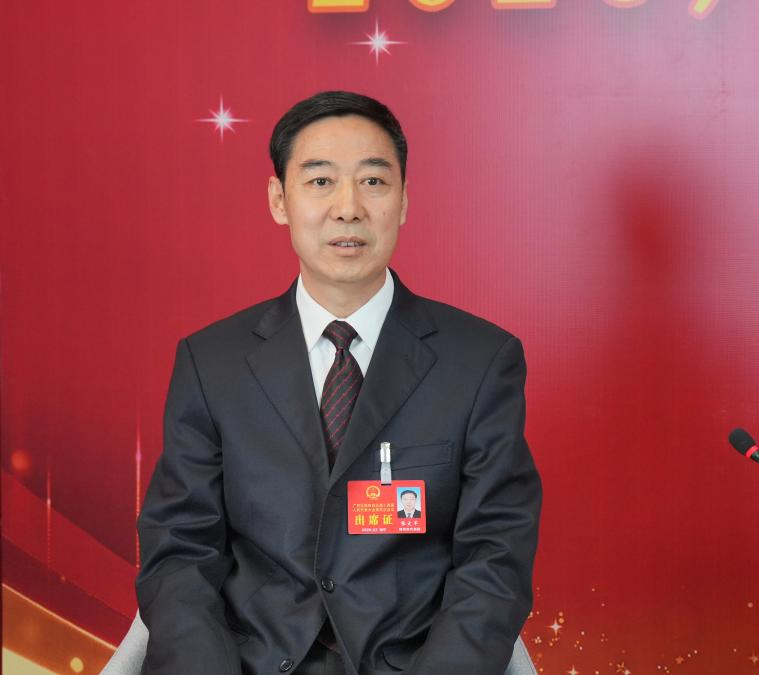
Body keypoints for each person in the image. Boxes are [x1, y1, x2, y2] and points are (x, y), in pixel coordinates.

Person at [136, 91, 542, 675]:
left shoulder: (478, 361)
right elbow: (180, 550)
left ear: (403, 200)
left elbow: (495, 556)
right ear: (280, 200)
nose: (348, 208)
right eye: (320, 181)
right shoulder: (212, 361)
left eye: (373, 182)